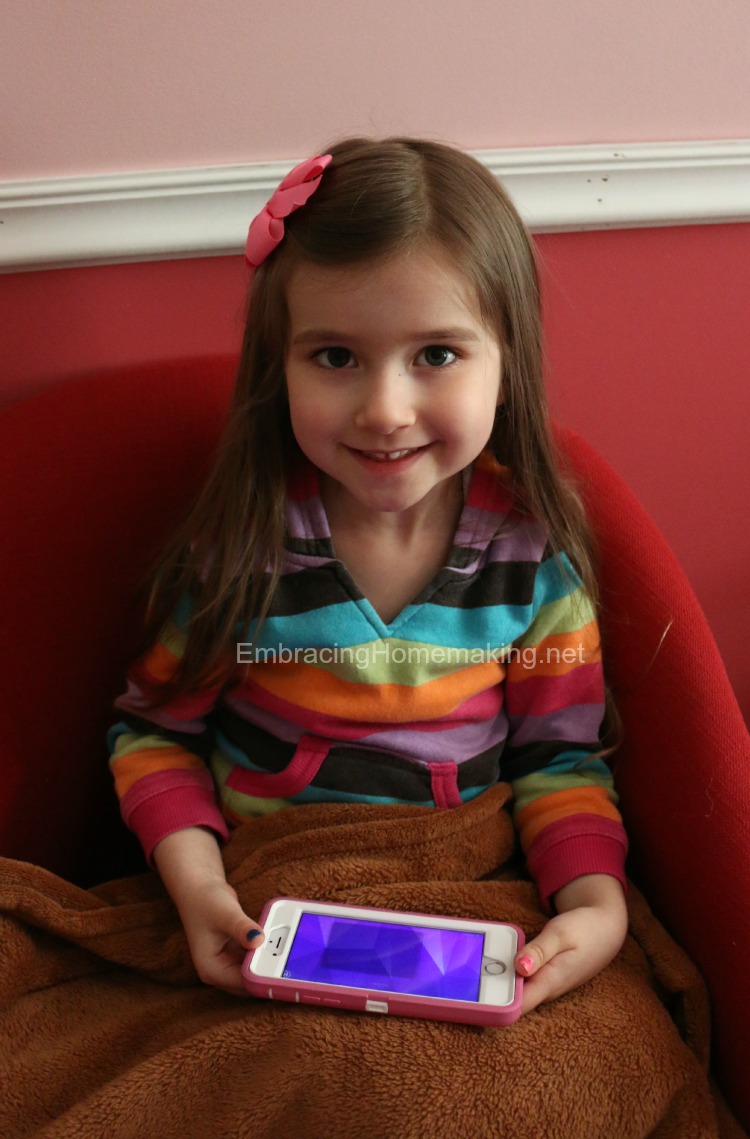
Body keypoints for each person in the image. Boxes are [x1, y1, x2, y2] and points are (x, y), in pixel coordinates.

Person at [108, 136, 629, 1008]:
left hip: (461, 894)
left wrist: (596, 908)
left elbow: (559, 762)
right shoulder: (242, 547)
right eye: (337, 357)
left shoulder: (532, 560)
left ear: (508, 366)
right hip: (270, 895)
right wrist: (199, 889)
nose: (386, 410)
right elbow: (155, 735)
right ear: (278, 368)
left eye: (437, 355)